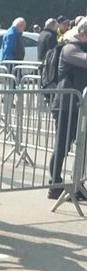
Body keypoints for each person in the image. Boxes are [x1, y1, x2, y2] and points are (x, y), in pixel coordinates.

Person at [47, 15, 87, 201]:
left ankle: (78, 184)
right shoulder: (70, 48)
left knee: (81, 147)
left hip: (78, 106)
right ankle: (55, 184)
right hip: (65, 105)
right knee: (62, 145)